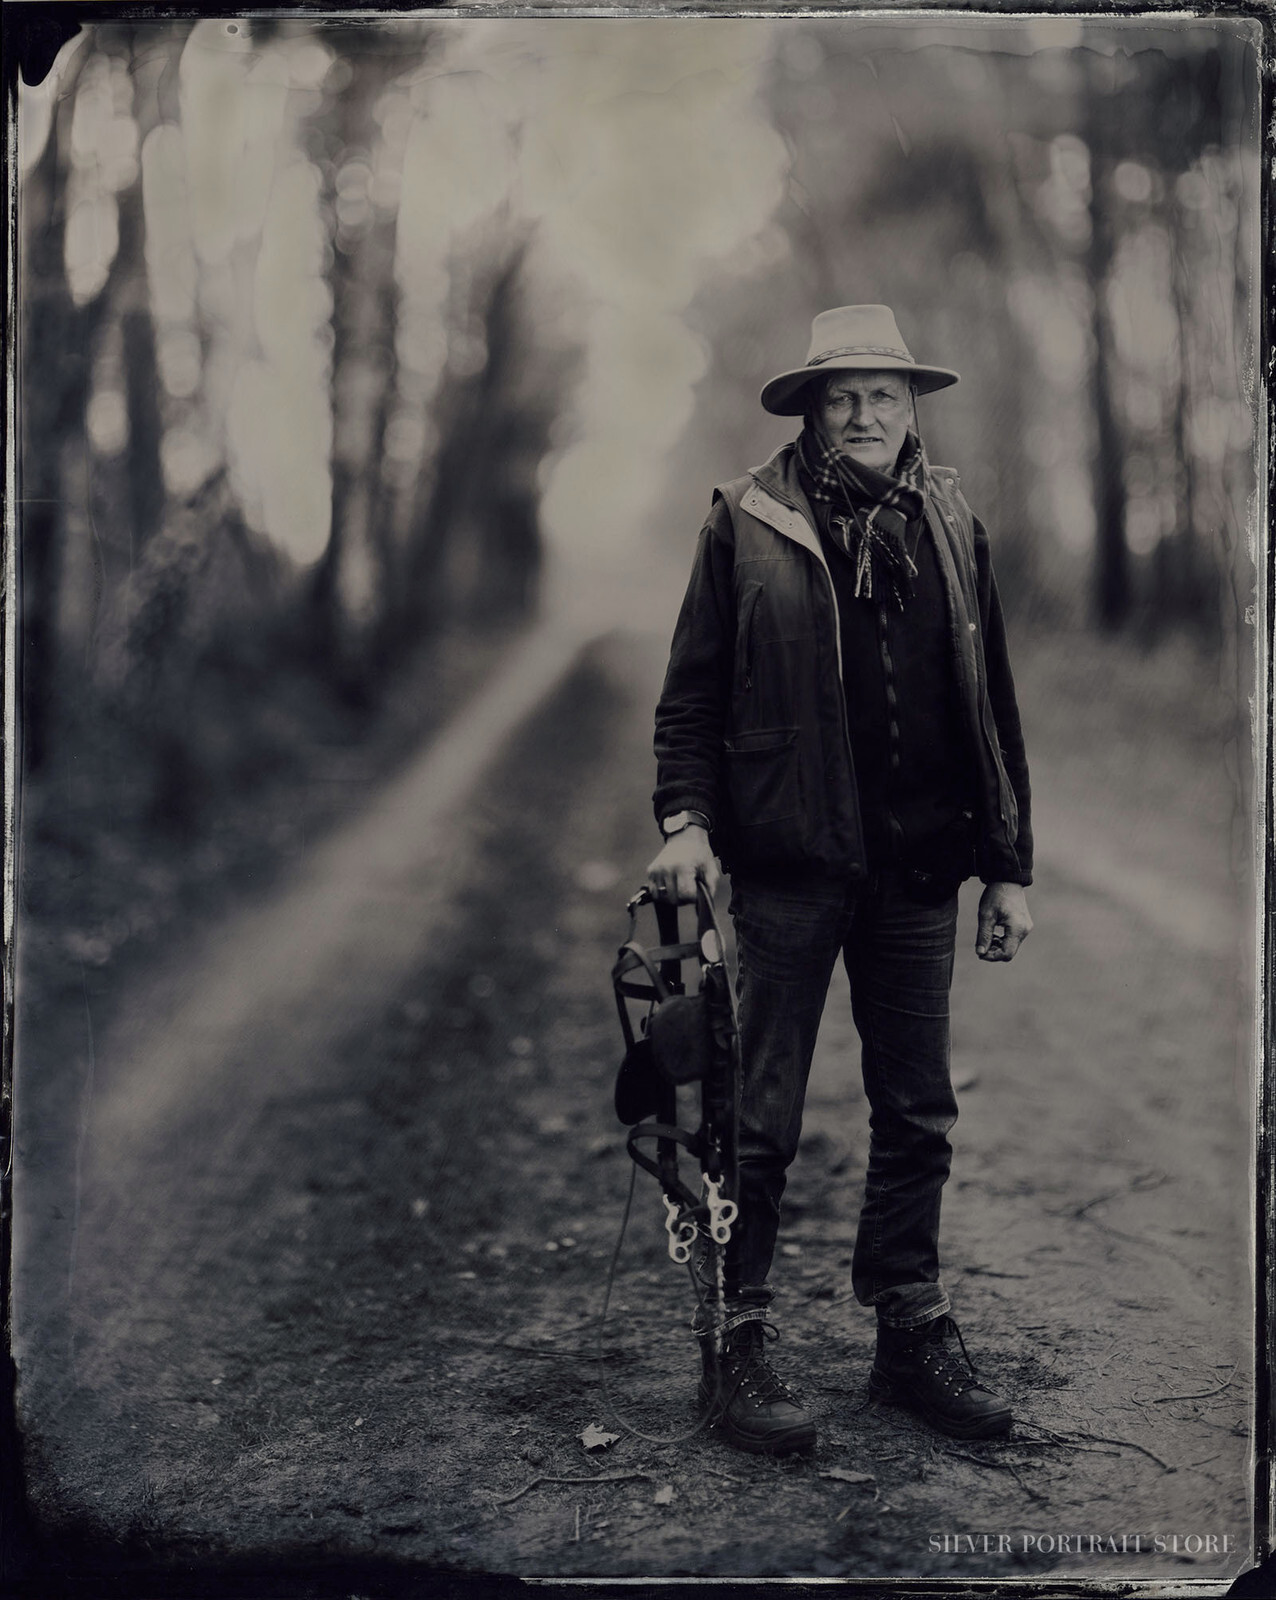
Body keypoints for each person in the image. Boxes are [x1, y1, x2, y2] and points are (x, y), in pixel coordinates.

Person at [646, 305, 1033, 1455]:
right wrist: (686, 822)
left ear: (911, 406)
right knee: (752, 1116)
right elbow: (689, 702)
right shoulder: (747, 520)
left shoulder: (952, 518)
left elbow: (991, 706)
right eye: (842, 394)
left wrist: (1006, 868)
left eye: (885, 393)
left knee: (917, 1110)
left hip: (918, 871)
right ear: (810, 409)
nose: (865, 413)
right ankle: (737, 1341)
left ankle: (906, 1332)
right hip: (785, 869)